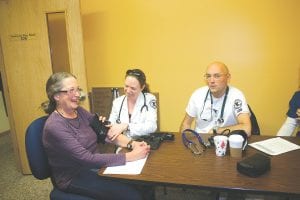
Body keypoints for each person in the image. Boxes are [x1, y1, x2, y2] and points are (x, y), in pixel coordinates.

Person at [41, 72, 151, 200]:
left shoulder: (79, 112)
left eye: (77, 89)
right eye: (71, 91)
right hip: (74, 176)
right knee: (131, 195)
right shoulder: (55, 126)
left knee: (142, 185)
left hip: (94, 167)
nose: (77, 94)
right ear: (56, 96)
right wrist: (131, 156)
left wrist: (132, 144)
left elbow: (104, 133)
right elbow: (86, 158)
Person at [179, 61, 252, 136]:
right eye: (208, 76)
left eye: (217, 76)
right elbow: (186, 124)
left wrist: (217, 131)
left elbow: (247, 128)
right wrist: (185, 141)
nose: (211, 81)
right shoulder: (197, 94)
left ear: (228, 77)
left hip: (225, 141)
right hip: (200, 141)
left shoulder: (236, 95)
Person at [109, 69, 157, 138]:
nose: (128, 91)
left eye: (133, 88)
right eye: (126, 86)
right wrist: (105, 124)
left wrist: (127, 126)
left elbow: (152, 126)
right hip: (123, 143)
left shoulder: (149, 99)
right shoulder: (117, 102)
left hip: (143, 143)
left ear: (142, 87)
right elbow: (111, 125)